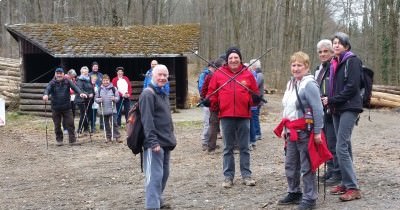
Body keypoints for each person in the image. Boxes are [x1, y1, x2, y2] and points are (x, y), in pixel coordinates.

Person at [276, 51, 324, 210]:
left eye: (299, 65)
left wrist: (317, 131)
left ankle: (310, 198)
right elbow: (287, 108)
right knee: (290, 164)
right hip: (291, 131)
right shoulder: (291, 83)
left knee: (306, 166)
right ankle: (294, 192)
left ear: (306, 67)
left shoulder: (309, 84)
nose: (296, 68)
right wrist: (284, 128)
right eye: (293, 65)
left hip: (305, 131)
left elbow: (318, 109)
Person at [206, 47, 259, 188]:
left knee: (244, 147)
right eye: (231, 58)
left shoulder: (247, 74)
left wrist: (255, 99)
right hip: (226, 115)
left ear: (240, 59)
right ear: (227, 60)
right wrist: (210, 102)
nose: (233, 60)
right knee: (227, 148)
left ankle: (246, 175)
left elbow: (255, 93)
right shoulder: (219, 74)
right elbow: (212, 93)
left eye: (236, 57)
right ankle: (228, 177)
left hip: (243, 115)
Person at [322, 32, 362, 201]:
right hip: (337, 107)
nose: (336, 45)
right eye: (334, 43)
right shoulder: (335, 62)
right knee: (345, 146)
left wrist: (332, 100)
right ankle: (346, 183)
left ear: (346, 45)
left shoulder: (352, 61)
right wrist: (331, 101)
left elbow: (352, 87)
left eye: (339, 42)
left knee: (340, 147)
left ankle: (353, 188)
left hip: (349, 107)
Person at [139, 64, 177, 209]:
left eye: (165, 75)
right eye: (159, 75)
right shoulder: (148, 94)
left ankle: (158, 201)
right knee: (154, 179)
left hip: (165, 142)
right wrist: (153, 142)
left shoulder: (162, 93)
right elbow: (147, 121)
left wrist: (171, 138)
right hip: (154, 144)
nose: (162, 78)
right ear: (152, 76)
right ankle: (152, 206)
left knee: (163, 175)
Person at [314, 39, 341, 186]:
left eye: (326, 51)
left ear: (332, 52)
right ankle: (330, 169)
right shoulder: (319, 69)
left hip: (333, 109)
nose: (323, 54)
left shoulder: (336, 67)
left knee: (334, 142)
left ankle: (338, 172)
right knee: (326, 142)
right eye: (320, 52)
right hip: (321, 110)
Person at [43, 67, 87, 146]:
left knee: (70, 123)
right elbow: (47, 89)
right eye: (57, 73)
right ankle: (59, 140)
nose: (59, 75)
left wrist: (80, 93)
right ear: (55, 74)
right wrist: (45, 95)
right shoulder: (52, 83)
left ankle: (72, 140)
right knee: (57, 125)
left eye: (60, 73)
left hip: (67, 107)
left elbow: (75, 87)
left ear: (63, 74)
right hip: (55, 108)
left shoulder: (67, 81)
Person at [200, 58, 224, 153]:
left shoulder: (224, 76)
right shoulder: (210, 76)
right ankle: (209, 146)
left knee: (222, 126)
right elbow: (204, 90)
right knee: (212, 125)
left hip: (223, 105)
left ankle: (227, 145)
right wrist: (206, 99)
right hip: (213, 105)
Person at [95, 74, 121, 143]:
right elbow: (96, 99)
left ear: (109, 81)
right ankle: (108, 137)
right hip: (103, 110)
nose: (105, 82)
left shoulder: (113, 88)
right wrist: (99, 100)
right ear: (102, 81)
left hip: (112, 110)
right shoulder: (99, 89)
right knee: (106, 124)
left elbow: (118, 98)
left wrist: (114, 98)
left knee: (114, 123)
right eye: (104, 80)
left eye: (107, 80)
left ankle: (117, 137)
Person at [249, 59, 264, 143]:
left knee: (255, 117)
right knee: (255, 116)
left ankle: (258, 133)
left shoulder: (259, 75)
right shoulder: (258, 74)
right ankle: (256, 132)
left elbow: (255, 84)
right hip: (257, 98)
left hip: (258, 99)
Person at [198, 62, 213, 151]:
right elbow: (201, 88)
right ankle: (204, 142)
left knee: (211, 123)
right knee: (207, 123)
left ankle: (209, 142)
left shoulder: (211, 75)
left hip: (211, 102)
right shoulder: (205, 75)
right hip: (207, 102)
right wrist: (205, 98)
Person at [75, 66, 95, 134]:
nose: (85, 73)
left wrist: (92, 93)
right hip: (81, 100)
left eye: (86, 72)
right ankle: (79, 129)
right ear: (81, 72)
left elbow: (91, 88)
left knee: (88, 114)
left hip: (89, 100)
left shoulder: (88, 79)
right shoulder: (79, 79)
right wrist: (88, 94)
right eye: (83, 72)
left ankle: (86, 129)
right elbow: (80, 89)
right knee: (83, 114)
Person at [89, 61, 104, 129]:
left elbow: (103, 84)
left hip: (100, 95)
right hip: (92, 96)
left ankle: (102, 125)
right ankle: (93, 125)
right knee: (93, 111)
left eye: (96, 66)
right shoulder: (89, 75)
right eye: (94, 66)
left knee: (101, 110)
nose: (95, 68)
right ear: (92, 67)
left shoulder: (101, 75)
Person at [62, 69, 77, 134]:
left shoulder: (73, 80)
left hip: (73, 99)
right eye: (73, 75)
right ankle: (65, 128)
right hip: (66, 99)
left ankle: (71, 128)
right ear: (69, 74)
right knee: (65, 114)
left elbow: (75, 87)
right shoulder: (64, 79)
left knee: (72, 114)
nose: (74, 77)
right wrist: (72, 91)